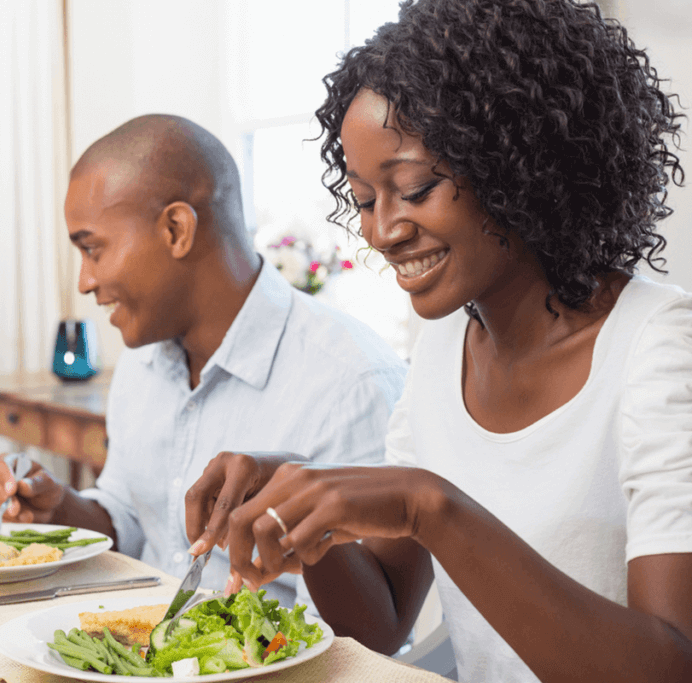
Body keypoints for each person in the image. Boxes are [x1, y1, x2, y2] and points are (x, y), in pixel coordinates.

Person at [185, 1, 692, 681]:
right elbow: (381, 621)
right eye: (365, 199)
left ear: (520, 163)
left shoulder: (658, 346)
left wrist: (431, 507)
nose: (382, 230)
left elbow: (670, 664)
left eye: (415, 188)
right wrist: (297, 506)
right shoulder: (445, 344)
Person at [0, 114, 407, 617]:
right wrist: (60, 508)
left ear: (176, 229)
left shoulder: (350, 382)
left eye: (93, 249)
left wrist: (298, 508)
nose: (84, 282)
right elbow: (131, 518)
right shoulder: (142, 365)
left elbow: (369, 635)